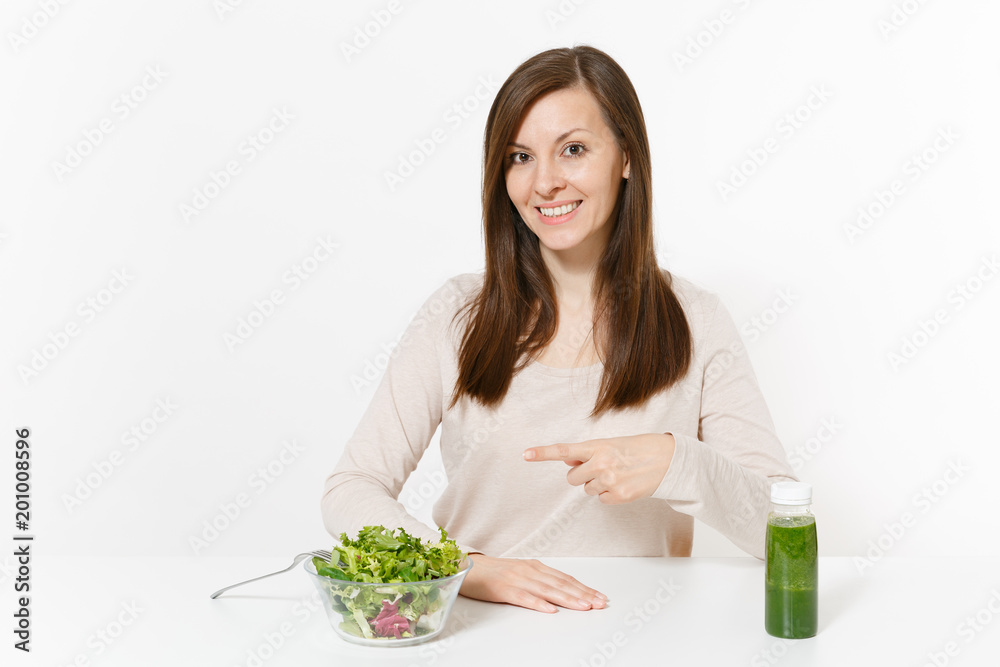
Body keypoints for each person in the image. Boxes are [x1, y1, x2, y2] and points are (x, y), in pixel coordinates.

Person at [322, 45, 797, 614]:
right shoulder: (455, 315)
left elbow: (784, 530)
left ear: (626, 156)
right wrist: (464, 569)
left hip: (644, 632)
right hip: (482, 630)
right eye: (520, 157)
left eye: (573, 150)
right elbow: (351, 488)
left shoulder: (697, 319)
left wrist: (680, 464)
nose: (544, 182)